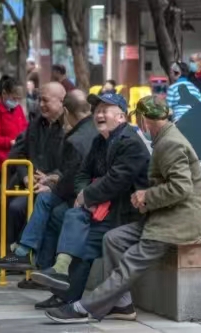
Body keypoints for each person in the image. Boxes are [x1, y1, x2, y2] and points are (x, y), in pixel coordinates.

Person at [45, 95, 201, 323]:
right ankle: (122, 305)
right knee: (113, 238)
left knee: (129, 265)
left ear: (142, 118)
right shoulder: (165, 138)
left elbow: (181, 187)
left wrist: (146, 195)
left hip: (175, 223)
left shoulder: (170, 143)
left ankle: (85, 308)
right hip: (162, 216)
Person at [31, 93, 151, 310]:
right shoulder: (99, 141)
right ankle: (64, 289)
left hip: (126, 215)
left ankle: (64, 284)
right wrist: (85, 193)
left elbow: (117, 181)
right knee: (75, 224)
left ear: (121, 117)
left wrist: (87, 196)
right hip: (103, 210)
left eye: (106, 110)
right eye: (97, 110)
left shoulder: (130, 143)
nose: (100, 114)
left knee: (77, 229)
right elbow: (81, 174)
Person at [0, 89, 97, 273]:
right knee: (45, 206)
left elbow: (75, 174)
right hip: (63, 186)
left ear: (65, 110)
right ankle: (33, 260)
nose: (41, 105)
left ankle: (24, 252)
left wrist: (53, 183)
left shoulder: (77, 137)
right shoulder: (40, 125)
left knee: (44, 203)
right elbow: (75, 171)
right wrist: (40, 178)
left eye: (45, 100)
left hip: (85, 196)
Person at [0, 82, 66, 266]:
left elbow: (72, 163)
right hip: (25, 179)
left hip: (51, 185)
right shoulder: (36, 123)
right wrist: (26, 175)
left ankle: (16, 255)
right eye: (39, 99)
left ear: (61, 102)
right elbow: (17, 153)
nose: (41, 104)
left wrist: (49, 178)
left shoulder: (68, 127)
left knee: (17, 207)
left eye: (46, 100)